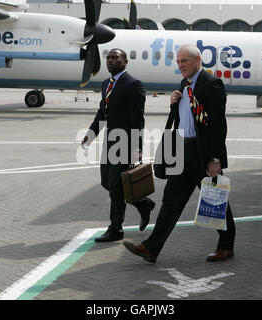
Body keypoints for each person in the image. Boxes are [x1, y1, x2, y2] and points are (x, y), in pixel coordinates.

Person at [123, 44, 236, 262]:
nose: (180, 65)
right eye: (178, 62)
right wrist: (174, 103)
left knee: (215, 200)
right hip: (182, 152)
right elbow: (184, 118)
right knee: (171, 202)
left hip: (202, 154)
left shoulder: (212, 84)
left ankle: (226, 246)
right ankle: (151, 248)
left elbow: (218, 126)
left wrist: (215, 159)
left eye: (184, 61)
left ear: (197, 60)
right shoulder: (184, 85)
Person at [81, 48, 155, 242]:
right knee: (107, 182)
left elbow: (137, 119)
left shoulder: (133, 84)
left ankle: (116, 228)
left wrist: (137, 148)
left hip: (125, 142)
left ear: (125, 62)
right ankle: (142, 204)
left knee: (115, 187)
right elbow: (102, 113)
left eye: (115, 58)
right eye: (109, 58)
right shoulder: (107, 84)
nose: (111, 61)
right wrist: (90, 135)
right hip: (110, 141)